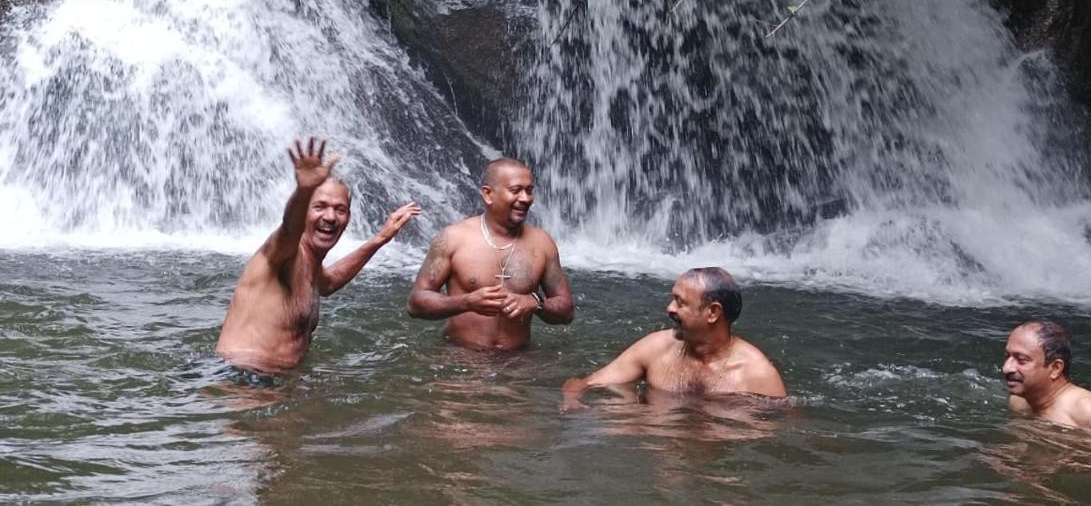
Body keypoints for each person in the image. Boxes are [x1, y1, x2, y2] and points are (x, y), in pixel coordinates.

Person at [216, 136, 420, 374]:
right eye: (319, 206)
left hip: (276, 385)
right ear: (304, 212)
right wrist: (304, 190)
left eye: (339, 209)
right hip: (242, 381)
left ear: (348, 219)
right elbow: (289, 227)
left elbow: (329, 282)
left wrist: (380, 238)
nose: (330, 217)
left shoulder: (311, 266)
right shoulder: (282, 252)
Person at [406, 157, 574, 349]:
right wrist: (466, 302)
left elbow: (567, 311)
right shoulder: (452, 238)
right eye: (516, 190)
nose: (526, 198)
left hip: (519, 362)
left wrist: (536, 302)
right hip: (460, 360)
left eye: (529, 190)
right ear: (488, 194)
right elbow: (415, 303)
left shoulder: (542, 243)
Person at [562, 267, 786, 400]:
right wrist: (572, 408)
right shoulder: (656, 347)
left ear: (713, 312)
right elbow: (582, 384)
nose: (669, 308)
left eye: (680, 302)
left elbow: (779, 437)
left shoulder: (757, 375)